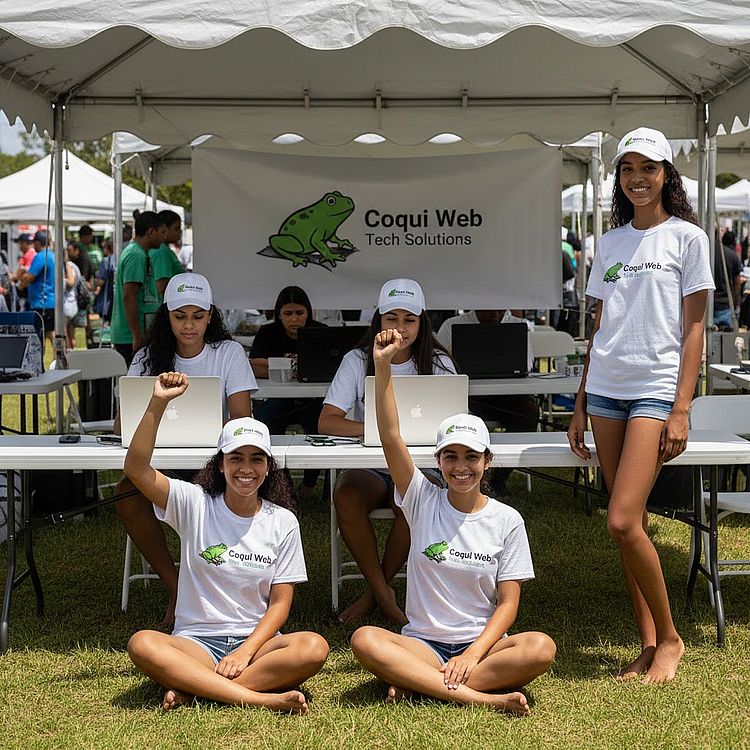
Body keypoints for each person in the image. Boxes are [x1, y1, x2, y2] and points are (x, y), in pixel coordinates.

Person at [568, 127, 714, 684]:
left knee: (621, 520)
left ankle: (671, 639)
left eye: (648, 168)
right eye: (628, 169)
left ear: (666, 175)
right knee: (634, 524)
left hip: (655, 390)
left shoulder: (688, 239)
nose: (638, 179)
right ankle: (648, 643)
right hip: (605, 391)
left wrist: (682, 408)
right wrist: (580, 402)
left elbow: (695, 329)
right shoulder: (610, 243)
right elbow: (599, 327)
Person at [350, 328, 555, 713]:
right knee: (365, 639)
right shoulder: (421, 499)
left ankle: (418, 683)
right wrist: (383, 366)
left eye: (471, 457)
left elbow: (508, 605)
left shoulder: (507, 520)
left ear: (488, 461)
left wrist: (473, 654)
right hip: (423, 644)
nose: (461, 467)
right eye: (451, 457)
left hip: (483, 646)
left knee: (541, 647)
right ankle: (480, 697)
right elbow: (391, 436)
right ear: (438, 461)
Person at [124, 374, 329, 712]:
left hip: (257, 645)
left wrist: (245, 652)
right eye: (236, 458)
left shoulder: (283, 520)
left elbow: (280, 605)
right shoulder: (194, 503)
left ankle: (195, 688)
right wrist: (158, 402)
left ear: (268, 467)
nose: (246, 468)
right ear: (220, 464)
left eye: (256, 459)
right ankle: (258, 698)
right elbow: (136, 468)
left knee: (313, 647)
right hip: (195, 642)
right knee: (142, 643)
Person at [115, 272, 258, 625]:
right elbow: (121, 425)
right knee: (127, 494)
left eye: (197, 316)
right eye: (180, 316)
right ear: (167, 317)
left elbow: (242, 420)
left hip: (212, 464)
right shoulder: (147, 356)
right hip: (159, 465)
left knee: (207, 494)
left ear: (210, 316)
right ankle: (177, 587)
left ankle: (206, 587)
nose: (189, 325)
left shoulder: (228, 353)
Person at [319, 278, 456, 625]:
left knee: (413, 500)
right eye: (391, 318)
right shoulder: (357, 359)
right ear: (378, 319)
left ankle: (372, 596)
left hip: (419, 466)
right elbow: (327, 421)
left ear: (422, 323)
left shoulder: (438, 361)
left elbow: (456, 423)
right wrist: (379, 432)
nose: (400, 328)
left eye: (409, 320)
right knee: (346, 496)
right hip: (370, 465)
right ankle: (383, 593)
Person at [436, 309, 538, 498]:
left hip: (507, 394)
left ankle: (499, 477)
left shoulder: (517, 325)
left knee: (529, 411)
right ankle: (470, 474)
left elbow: (527, 363)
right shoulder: (451, 325)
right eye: (490, 310)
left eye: (500, 310)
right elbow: (439, 362)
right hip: (466, 396)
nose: (496, 314)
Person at [250, 286, 326, 499]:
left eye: (299, 313)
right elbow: (253, 365)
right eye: (288, 313)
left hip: (312, 400)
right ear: (279, 314)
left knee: (320, 429)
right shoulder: (267, 332)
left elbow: (332, 365)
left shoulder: (320, 332)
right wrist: (296, 366)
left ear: (309, 312)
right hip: (278, 398)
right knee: (265, 424)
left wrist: (275, 366)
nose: (294, 319)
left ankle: (310, 484)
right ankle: (282, 483)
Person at [110, 210, 166, 365]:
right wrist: (136, 334)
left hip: (135, 333)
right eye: (162, 232)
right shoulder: (136, 255)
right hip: (130, 336)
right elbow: (129, 296)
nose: (164, 237)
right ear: (151, 232)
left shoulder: (138, 253)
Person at [17, 230, 55, 352]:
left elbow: (30, 277)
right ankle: (59, 359)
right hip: (51, 301)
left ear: (38, 243)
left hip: (41, 302)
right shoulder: (52, 255)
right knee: (51, 333)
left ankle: (39, 361)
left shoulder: (41, 256)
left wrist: (20, 277)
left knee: (39, 336)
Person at [150, 210, 185, 301]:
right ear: (165, 229)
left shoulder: (164, 249)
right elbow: (162, 287)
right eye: (176, 229)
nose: (180, 232)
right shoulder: (161, 251)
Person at [713, 230, 742, 331]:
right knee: (727, 338)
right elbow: (737, 282)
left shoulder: (702, 253)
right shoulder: (732, 255)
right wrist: (736, 302)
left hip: (705, 305)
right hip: (725, 305)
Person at [62, 248, 81, 349]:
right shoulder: (74, 266)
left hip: (66, 304)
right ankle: (73, 350)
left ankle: (68, 353)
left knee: (63, 333)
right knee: (71, 333)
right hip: (73, 302)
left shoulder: (67, 266)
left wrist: (60, 280)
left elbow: (71, 282)